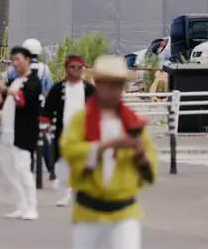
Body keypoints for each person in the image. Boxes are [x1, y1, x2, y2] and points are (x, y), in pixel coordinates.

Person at [60, 55, 157, 249]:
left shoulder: (133, 121)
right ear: (98, 83)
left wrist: (139, 152)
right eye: (108, 84)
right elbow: (69, 151)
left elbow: (150, 171)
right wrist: (106, 145)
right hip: (88, 210)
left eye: (118, 85)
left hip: (125, 211)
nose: (113, 90)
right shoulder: (81, 119)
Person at [0, 45, 42, 221]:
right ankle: (20, 205)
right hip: (6, 132)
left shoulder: (33, 82)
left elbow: (23, 100)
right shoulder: (14, 81)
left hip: (22, 133)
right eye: (12, 60)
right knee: (9, 171)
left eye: (18, 59)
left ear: (27, 60)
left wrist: (5, 90)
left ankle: (32, 206)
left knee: (22, 169)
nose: (14, 63)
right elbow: (2, 103)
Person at [42, 54, 96, 207]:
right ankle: (64, 193)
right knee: (63, 164)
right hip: (62, 131)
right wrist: (45, 127)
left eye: (80, 67)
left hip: (84, 132)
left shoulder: (89, 89)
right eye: (73, 67)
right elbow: (48, 110)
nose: (76, 70)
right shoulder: (57, 89)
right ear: (66, 68)